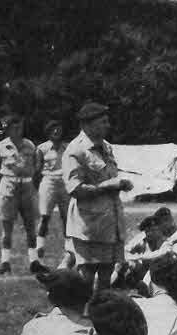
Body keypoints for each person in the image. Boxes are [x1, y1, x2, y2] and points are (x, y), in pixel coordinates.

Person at [62, 102, 133, 290]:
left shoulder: (106, 147)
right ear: (87, 125)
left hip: (110, 223)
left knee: (106, 277)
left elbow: (110, 175)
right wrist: (106, 186)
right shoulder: (76, 150)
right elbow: (74, 189)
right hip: (89, 226)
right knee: (86, 277)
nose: (108, 125)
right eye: (103, 122)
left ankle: (101, 313)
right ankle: (82, 314)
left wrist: (121, 184)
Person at [0, 114, 48, 275]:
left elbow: (38, 166)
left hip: (27, 188)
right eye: (15, 128)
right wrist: (3, 187)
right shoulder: (0, 147)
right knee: (7, 228)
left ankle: (34, 261)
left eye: (20, 127)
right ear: (8, 130)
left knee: (31, 227)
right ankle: (5, 262)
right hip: (8, 188)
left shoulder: (30, 145)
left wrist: (31, 183)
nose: (18, 130)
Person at [34, 120, 74, 267]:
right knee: (44, 216)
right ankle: (40, 246)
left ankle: (69, 250)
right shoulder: (42, 148)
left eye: (59, 129)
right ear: (49, 132)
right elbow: (37, 170)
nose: (57, 132)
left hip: (65, 183)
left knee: (67, 217)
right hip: (48, 181)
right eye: (54, 130)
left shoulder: (68, 147)